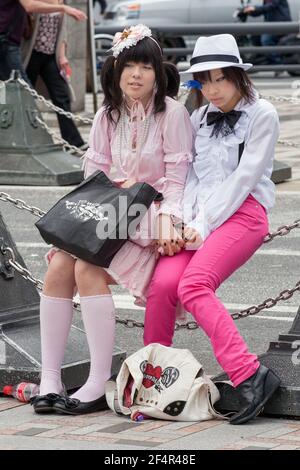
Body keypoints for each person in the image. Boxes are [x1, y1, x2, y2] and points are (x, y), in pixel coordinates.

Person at [30, 24, 193, 415]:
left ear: (158, 72)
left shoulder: (172, 114)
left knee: (86, 265)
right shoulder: (107, 115)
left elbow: (176, 181)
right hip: (106, 217)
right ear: (115, 71)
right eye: (128, 66)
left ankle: (97, 380)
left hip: (147, 222)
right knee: (58, 268)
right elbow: (93, 178)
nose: (136, 74)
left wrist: (168, 220)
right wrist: (114, 188)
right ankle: (50, 377)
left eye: (145, 67)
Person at [143, 34, 281, 425]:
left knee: (194, 285)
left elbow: (243, 180)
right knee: (164, 284)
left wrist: (200, 226)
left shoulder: (263, 114)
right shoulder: (197, 117)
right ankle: (153, 378)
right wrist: (180, 222)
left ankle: (250, 375)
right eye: (204, 81)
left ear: (239, 76)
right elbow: (188, 179)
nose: (213, 89)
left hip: (244, 214)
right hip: (197, 219)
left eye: (221, 79)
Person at [22, 0, 85, 148]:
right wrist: (63, 8)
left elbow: (62, 31)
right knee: (24, 96)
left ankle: (73, 141)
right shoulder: (37, 2)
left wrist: (62, 56)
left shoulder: (60, 2)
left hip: (50, 56)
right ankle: (26, 139)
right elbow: (29, 9)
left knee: (61, 95)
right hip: (30, 55)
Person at [0, 0, 86, 82]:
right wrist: (63, 8)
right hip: (8, 42)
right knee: (22, 90)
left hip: (11, 42)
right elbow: (29, 5)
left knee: (17, 88)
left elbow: (62, 30)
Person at [242, 0, 292, 65]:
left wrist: (255, 8)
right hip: (271, 25)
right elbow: (264, 9)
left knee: (266, 40)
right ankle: (262, 58)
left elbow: (271, 6)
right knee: (255, 36)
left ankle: (278, 63)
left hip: (280, 24)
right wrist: (250, 12)